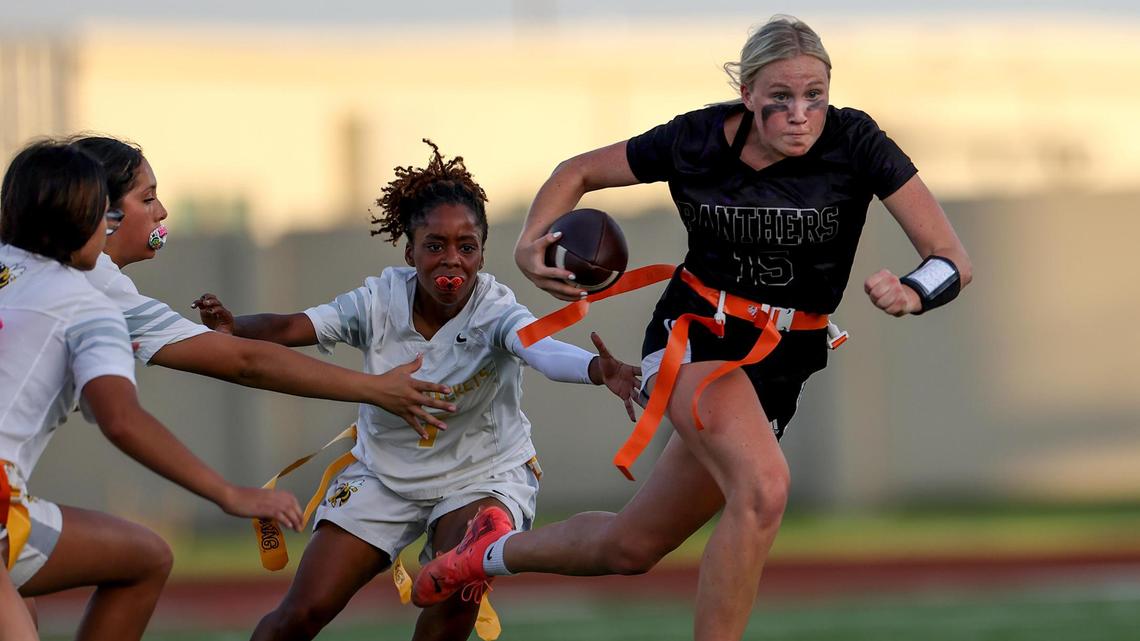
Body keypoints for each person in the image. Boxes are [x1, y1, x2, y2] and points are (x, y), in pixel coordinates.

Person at [414, 15, 974, 641]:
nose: (800, 114)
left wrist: (911, 292)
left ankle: (483, 553)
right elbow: (578, 171)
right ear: (748, 96)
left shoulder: (856, 142)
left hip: (785, 360)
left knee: (630, 547)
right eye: (780, 98)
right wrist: (528, 244)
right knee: (764, 490)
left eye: (814, 96)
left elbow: (951, 260)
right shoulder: (698, 139)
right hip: (696, 333)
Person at [192, 140, 640, 641]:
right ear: (410, 251)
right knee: (298, 615)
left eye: (466, 247)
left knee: (453, 589)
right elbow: (295, 325)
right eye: (435, 246)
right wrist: (235, 327)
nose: (452, 261)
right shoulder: (378, 300)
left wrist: (598, 370)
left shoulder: (494, 307)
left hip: (481, 476)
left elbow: (539, 347)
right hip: (385, 474)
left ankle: (474, 553)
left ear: (482, 253)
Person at [0, 141, 303, 641]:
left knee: (38, 594)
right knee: (147, 557)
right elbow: (121, 419)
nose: (113, 224)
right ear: (90, 217)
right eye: (107, 212)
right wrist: (228, 494)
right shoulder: (89, 302)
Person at [67, 136, 454, 436]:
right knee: (144, 545)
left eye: (467, 246)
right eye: (148, 198)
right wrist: (374, 388)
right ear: (104, 211)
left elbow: (519, 335)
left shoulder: (46, 267)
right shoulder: (97, 283)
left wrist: (231, 335)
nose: (163, 212)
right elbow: (247, 362)